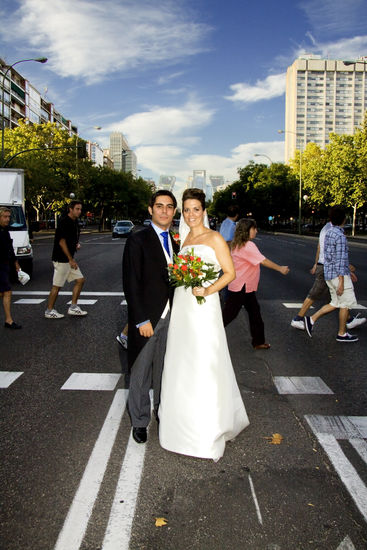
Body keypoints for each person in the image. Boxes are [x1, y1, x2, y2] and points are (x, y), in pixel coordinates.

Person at [159, 188, 249, 461]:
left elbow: (230, 273)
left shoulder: (215, 238)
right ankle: (180, 420)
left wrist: (208, 291)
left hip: (203, 306)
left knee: (204, 361)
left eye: (195, 209)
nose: (190, 214)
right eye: (186, 209)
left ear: (204, 211)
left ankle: (207, 426)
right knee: (181, 360)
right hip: (183, 306)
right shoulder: (183, 239)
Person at [122, 190, 179, 444]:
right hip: (148, 319)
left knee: (164, 372)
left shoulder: (177, 242)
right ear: (150, 210)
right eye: (159, 206)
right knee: (141, 372)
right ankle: (140, 421)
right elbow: (131, 283)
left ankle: (162, 413)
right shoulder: (138, 239)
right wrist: (141, 319)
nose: (164, 211)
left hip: (173, 318)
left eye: (169, 206)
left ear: (174, 211)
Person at [222, 218, 289, 350]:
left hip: (244, 287)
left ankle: (258, 341)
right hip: (242, 287)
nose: (256, 231)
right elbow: (263, 261)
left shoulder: (237, 244)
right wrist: (280, 268)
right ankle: (207, 335)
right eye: (254, 229)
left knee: (254, 313)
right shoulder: (248, 246)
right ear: (247, 230)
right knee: (229, 315)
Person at [291, 218, 365, 332]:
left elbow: (320, 247)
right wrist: (345, 269)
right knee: (315, 293)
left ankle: (348, 321)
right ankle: (299, 318)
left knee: (337, 297)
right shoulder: (333, 231)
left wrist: (316, 264)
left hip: (325, 266)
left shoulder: (325, 228)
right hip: (328, 267)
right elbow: (334, 253)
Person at [304, 207, 359, 343]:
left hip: (329, 273)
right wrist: (342, 281)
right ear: (344, 219)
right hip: (338, 275)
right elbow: (340, 259)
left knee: (335, 303)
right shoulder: (340, 236)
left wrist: (347, 272)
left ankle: (311, 320)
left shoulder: (329, 233)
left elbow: (330, 257)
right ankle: (342, 333)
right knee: (345, 304)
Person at [45, 200, 87, 319]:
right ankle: (49, 310)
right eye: (77, 209)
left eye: (80, 209)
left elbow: (70, 240)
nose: (79, 211)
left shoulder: (75, 222)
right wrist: (70, 259)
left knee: (80, 280)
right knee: (57, 286)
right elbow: (62, 241)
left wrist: (75, 244)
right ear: (70, 209)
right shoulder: (64, 222)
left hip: (68, 259)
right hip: (62, 259)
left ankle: (73, 307)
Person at [0, 206, 22, 329]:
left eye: (9, 217)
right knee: (7, 291)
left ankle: (9, 320)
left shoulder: (5, 230)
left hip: (4, 265)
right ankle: (8, 320)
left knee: (5, 292)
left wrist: (15, 263)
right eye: (5, 217)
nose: (8, 219)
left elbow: (9, 249)